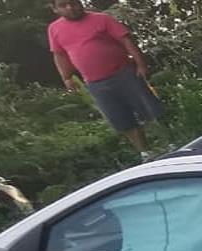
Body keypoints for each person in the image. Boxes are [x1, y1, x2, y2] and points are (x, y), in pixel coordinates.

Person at [48, 0, 163, 160]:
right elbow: (59, 55)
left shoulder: (102, 19)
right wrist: (66, 77)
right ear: (55, 9)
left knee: (150, 108)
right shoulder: (54, 29)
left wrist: (141, 64)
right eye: (63, 5)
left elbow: (126, 41)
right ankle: (146, 152)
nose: (70, 7)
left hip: (124, 73)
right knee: (121, 119)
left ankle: (171, 141)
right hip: (95, 83)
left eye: (73, 3)